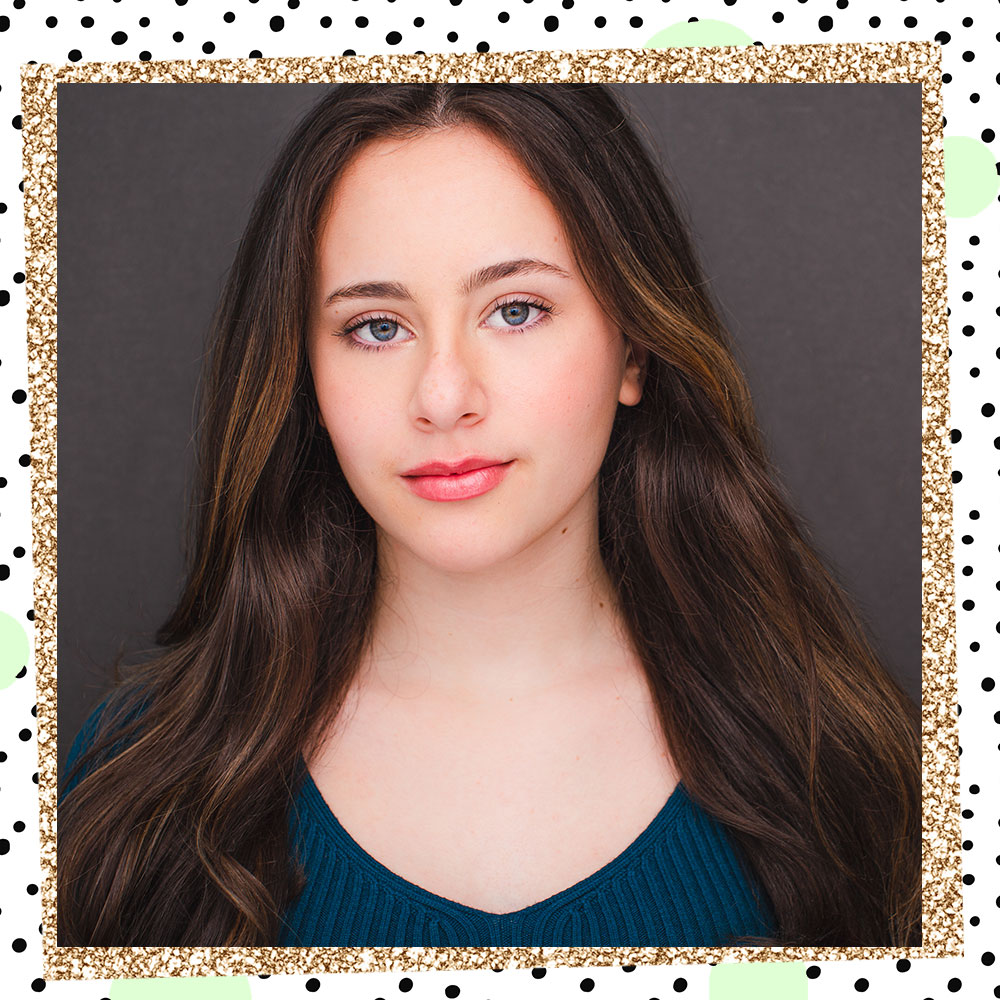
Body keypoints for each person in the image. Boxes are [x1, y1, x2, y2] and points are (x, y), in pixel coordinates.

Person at [58, 83, 920, 948]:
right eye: (375, 327)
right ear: (305, 381)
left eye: (516, 310)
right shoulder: (132, 784)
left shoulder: (836, 765)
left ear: (635, 349)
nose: (442, 397)